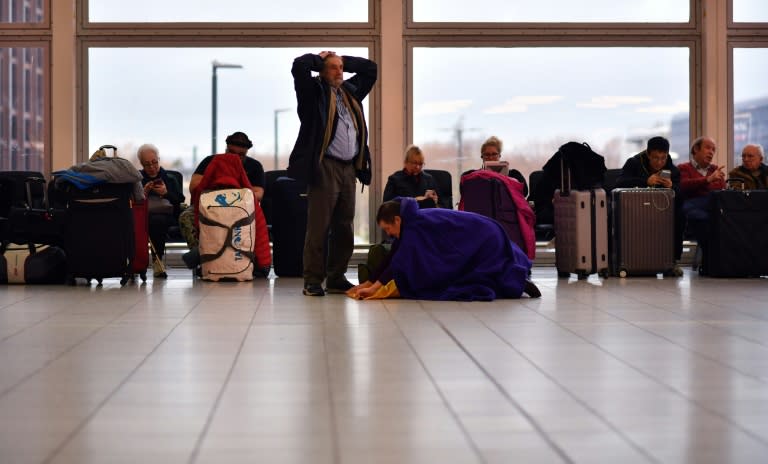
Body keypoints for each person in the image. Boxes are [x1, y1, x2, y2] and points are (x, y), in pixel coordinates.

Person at [287, 50, 378, 297]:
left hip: (349, 167)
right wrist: (320, 58)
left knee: (344, 226)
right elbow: (299, 66)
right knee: (319, 227)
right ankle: (313, 280)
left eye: (341, 67)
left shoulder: (349, 91)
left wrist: (343, 61)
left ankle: (336, 277)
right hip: (325, 165)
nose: (340, 71)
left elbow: (371, 69)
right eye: (334, 67)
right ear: (322, 71)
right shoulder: (313, 93)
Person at [347, 198, 540, 301]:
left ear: (397, 220)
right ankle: (518, 280)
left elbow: (398, 263)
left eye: (389, 229)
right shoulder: (410, 221)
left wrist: (373, 289)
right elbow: (393, 256)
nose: (389, 234)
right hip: (483, 231)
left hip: (484, 236)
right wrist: (369, 282)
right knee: (472, 272)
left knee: (483, 273)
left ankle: (519, 281)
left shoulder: (413, 227)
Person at [179, 131, 265, 250]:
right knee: (186, 217)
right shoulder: (211, 161)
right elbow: (193, 186)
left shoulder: (254, 166)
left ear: (246, 153)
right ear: (226, 149)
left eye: (240, 154)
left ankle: (247, 260)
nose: (235, 157)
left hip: (240, 209)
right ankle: (199, 256)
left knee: (257, 224)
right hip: (209, 207)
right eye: (231, 152)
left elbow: (258, 194)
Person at [616, 136, 684, 276]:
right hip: (635, 211)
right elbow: (619, 183)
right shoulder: (634, 163)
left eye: (663, 158)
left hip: (662, 211)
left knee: (680, 215)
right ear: (648, 154)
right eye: (655, 158)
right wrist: (645, 181)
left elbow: (681, 196)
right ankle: (629, 259)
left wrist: (672, 187)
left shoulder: (672, 169)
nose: (659, 162)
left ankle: (673, 261)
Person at [137, 143, 184, 278]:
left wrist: (165, 193)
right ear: (141, 164)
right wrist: (143, 194)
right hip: (144, 217)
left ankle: (157, 261)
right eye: (147, 164)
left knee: (158, 220)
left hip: (166, 217)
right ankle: (148, 262)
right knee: (152, 221)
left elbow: (180, 200)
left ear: (159, 159)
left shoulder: (169, 178)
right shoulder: (137, 179)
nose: (152, 167)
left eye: (154, 162)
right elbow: (132, 202)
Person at [677, 136, 726, 257]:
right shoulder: (683, 168)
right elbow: (683, 186)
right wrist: (708, 180)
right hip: (693, 209)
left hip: (712, 208)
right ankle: (710, 260)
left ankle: (712, 261)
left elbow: (720, 190)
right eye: (708, 148)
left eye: (713, 150)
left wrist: (701, 185)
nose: (711, 152)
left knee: (716, 219)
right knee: (705, 219)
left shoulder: (715, 169)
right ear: (696, 150)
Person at [382, 145, 447, 209]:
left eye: (420, 164)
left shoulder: (429, 179)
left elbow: (443, 205)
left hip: (425, 216)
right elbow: (387, 205)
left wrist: (435, 203)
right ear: (406, 162)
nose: (418, 167)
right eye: (414, 163)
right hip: (404, 217)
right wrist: (413, 200)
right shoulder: (395, 179)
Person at [462, 136, 528, 197]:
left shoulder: (514, 175)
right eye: (487, 154)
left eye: (494, 154)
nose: (491, 157)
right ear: (482, 157)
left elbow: (524, 192)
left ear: (499, 156)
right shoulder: (471, 175)